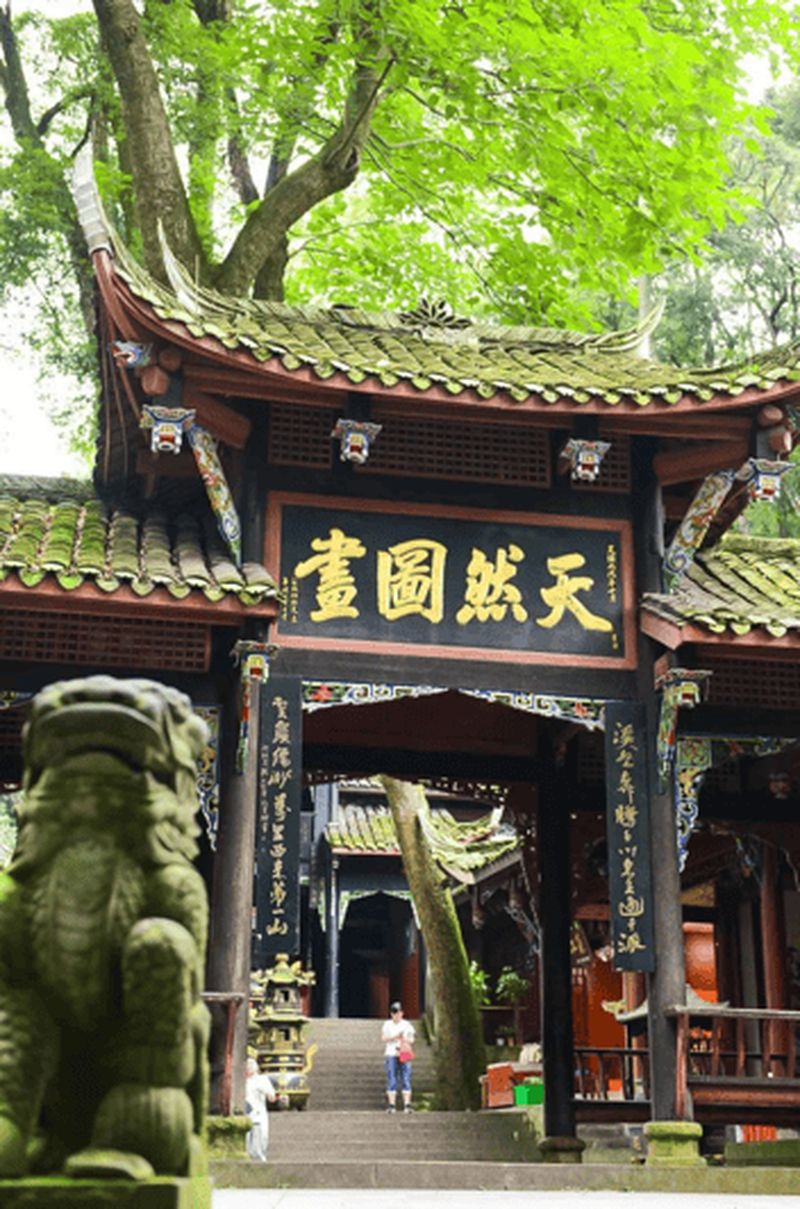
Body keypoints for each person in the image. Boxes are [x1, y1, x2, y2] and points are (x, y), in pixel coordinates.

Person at [381, 1000, 415, 1113]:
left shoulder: (407, 1025)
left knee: (406, 1077)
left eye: (398, 1012)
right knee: (392, 1078)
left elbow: (412, 1039)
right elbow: (384, 1038)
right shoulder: (387, 1024)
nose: (396, 1015)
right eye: (394, 1012)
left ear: (402, 1013)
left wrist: (404, 1040)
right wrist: (394, 1037)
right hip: (391, 1052)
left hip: (403, 1052)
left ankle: (407, 1105)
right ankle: (392, 1105)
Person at [244, 1055, 277, 1161]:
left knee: (261, 1136)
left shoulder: (262, 1079)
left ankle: (260, 1157)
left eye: (251, 1065)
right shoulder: (240, 1080)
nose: (248, 1067)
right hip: (244, 1113)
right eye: (247, 1065)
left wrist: (267, 1093)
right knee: (246, 1138)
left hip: (258, 1114)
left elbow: (272, 1096)